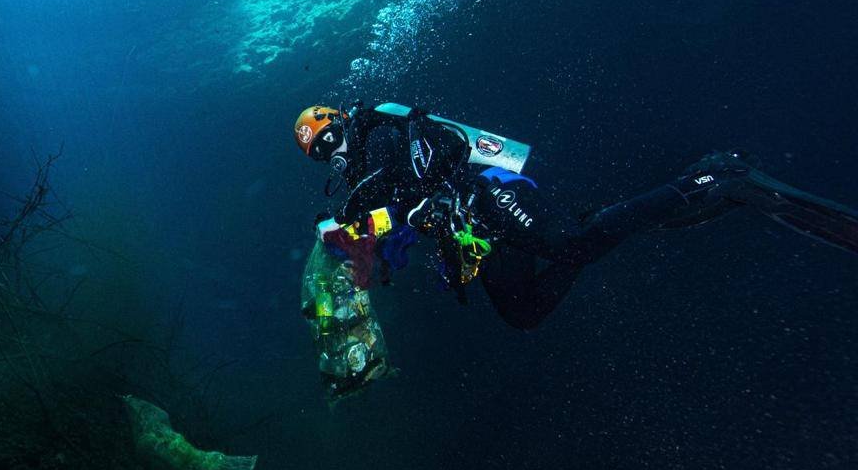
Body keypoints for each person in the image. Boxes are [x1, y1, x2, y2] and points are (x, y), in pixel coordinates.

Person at [294, 102, 858, 330]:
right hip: (474, 241)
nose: (332, 150)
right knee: (523, 312)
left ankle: (712, 178)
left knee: (572, 245)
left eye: (330, 136)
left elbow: (418, 160)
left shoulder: (379, 128)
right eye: (319, 151)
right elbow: (393, 241)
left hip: (483, 194)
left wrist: (372, 210)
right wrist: (357, 257)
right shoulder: (355, 188)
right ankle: (601, 222)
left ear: (343, 119)